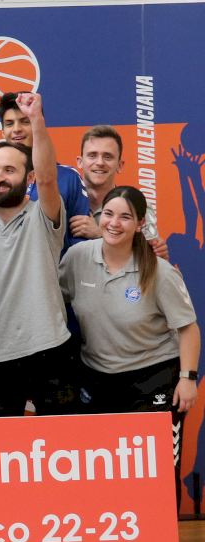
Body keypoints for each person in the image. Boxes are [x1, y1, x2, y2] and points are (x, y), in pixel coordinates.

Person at [60, 185, 198, 504]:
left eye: (125, 217)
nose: (114, 223)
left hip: (153, 378)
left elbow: (189, 329)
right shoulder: (78, 257)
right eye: (108, 214)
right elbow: (54, 299)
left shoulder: (159, 271)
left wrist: (188, 378)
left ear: (139, 224)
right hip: (98, 379)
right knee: (107, 472)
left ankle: (163, 536)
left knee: (157, 472)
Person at [0, 92, 79, 417]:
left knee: (63, 444)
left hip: (51, 349)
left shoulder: (44, 217)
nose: (0, 177)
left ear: (28, 178)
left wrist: (36, 119)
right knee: (2, 448)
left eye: (9, 170)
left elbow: (48, 176)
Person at [0, 91, 90, 256]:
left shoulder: (68, 178)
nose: (17, 129)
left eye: (25, 121)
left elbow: (80, 242)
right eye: (9, 124)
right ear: (2, 132)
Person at [72, 124, 168, 258]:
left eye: (108, 157)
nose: (100, 162)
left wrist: (100, 234)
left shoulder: (139, 205)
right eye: (92, 155)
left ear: (120, 165)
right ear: (80, 162)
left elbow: (151, 260)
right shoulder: (64, 202)